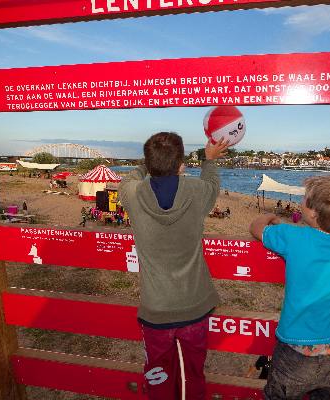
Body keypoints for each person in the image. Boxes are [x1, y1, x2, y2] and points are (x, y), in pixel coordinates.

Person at [249, 175, 330, 399]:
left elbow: (255, 228)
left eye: (304, 199)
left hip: (294, 351)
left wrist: (270, 216)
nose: (301, 202)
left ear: (312, 212)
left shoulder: (292, 236)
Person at [119, 132, 229, 400]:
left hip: (156, 310)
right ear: (180, 162)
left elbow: (128, 178)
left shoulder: (132, 194)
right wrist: (209, 159)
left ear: (148, 161)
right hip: (195, 305)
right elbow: (212, 183)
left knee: (158, 376)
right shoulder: (196, 191)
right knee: (192, 374)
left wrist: (148, 164)